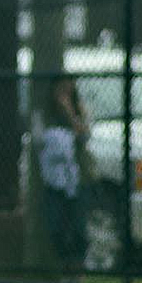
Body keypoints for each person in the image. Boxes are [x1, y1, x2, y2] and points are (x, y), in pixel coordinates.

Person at [38, 75, 89, 271]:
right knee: (56, 227)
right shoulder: (45, 114)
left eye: (69, 90)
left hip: (76, 180)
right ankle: (63, 267)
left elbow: (84, 135)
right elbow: (38, 140)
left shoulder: (79, 110)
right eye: (61, 90)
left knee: (78, 227)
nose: (64, 95)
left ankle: (78, 269)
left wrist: (69, 112)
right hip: (53, 180)